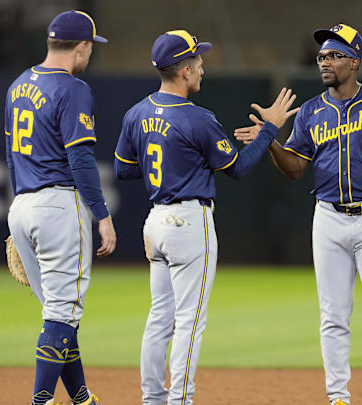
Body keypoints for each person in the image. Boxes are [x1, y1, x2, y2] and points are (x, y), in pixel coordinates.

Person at [234, 23, 362, 405]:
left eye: (334, 55)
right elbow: (294, 169)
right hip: (327, 219)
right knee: (333, 314)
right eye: (322, 56)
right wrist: (269, 141)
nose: (325, 62)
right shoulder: (310, 112)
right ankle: (337, 396)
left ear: (354, 61)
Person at [113, 29, 299, 405]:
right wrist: (271, 131)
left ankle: (151, 398)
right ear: (183, 71)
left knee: (159, 319)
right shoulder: (198, 119)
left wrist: (166, 166)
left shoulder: (136, 113)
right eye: (197, 61)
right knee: (189, 323)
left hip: (155, 222)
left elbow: (123, 170)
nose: (201, 67)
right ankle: (180, 400)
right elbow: (239, 168)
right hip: (188, 224)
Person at [4, 10, 116, 405]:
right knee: (62, 315)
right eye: (90, 47)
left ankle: (82, 397)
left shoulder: (18, 85)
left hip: (22, 204)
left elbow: (11, 154)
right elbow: (81, 161)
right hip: (59, 207)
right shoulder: (73, 88)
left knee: (58, 314)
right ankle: (41, 400)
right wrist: (102, 215)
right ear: (82, 46)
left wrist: (21, 212)